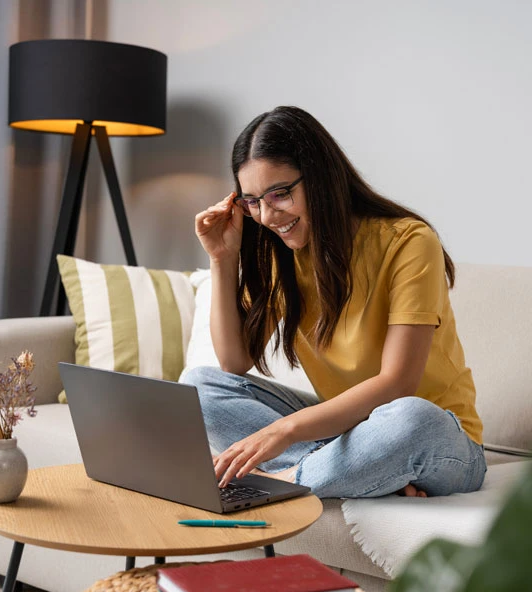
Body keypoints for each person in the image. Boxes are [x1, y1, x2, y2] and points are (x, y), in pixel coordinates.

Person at [182, 105, 486, 499]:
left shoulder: (408, 242)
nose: (268, 215)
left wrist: (284, 429)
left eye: (280, 193)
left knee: (412, 419)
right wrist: (222, 259)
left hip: (442, 439)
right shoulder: (281, 254)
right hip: (349, 433)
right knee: (199, 386)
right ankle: (362, 470)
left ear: (321, 178)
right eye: (252, 201)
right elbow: (233, 363)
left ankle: (286, 481)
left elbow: (399, 384)